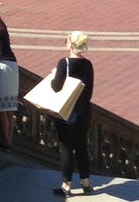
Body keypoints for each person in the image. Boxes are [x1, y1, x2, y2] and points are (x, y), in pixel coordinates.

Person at [51, 31, 94, 197]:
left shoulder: (65, 63)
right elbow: (88, 91)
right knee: (81, 145)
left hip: (67, 110)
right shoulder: (88, 64)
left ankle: (66, 185)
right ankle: (86, 183)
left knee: (66, 147)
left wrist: (54, 75)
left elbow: (56, 86)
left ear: (70, 44)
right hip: (84, 110)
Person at [0, 2, 19, 151]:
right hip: (12, 66)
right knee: (9, 108)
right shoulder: (0, 25)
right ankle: (9, 140)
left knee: (1, 108)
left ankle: (5, 142)